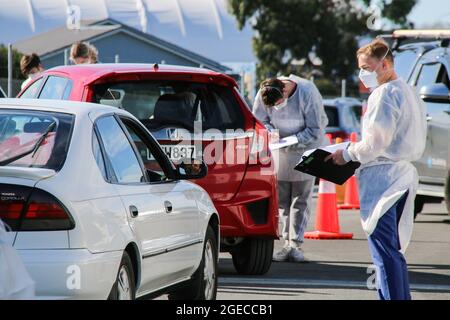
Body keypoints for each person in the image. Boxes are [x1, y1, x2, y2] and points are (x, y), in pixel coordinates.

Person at [325, 39, 427, 300]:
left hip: (384, 179)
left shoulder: (383, 94)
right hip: (401, 175)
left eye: (366, 67)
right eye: (360, 68)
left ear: (385, 64)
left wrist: (346, 153)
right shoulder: (408, 90)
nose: (362, 74)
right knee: (393, 251)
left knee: (384, 253)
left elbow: (375, 143)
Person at [253, 75, 328, 263]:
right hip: (279, 150)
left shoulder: (307, 93)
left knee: (301, 198)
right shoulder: (265, 92)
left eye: (278, 104)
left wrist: (293, 141)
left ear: (285, 91)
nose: (276, 109)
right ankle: (286, 244)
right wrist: (271, 132)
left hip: (306, 148)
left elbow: (315, 129)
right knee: (282, 199)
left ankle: (295, 244)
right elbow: (260, 121)